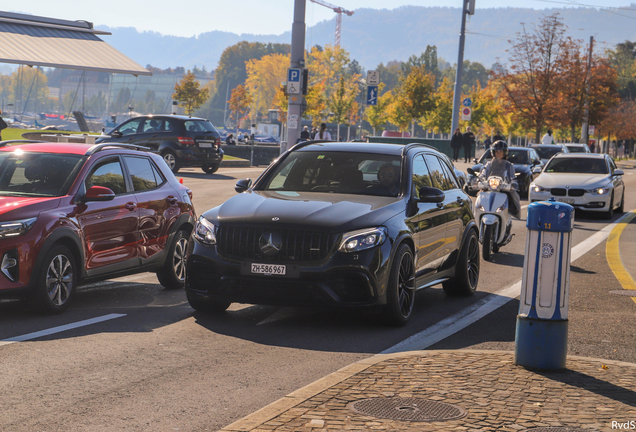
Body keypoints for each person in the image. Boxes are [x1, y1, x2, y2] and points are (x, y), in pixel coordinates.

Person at [478, 140, 521, 219]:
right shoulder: (489, 164)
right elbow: (483, 173)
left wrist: (513, 184)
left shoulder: (509, 165)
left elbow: (512, 177)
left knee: (515, 195)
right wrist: (479, 179)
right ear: (493, 152)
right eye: (496, 151)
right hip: (489, 187)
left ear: (504, 152)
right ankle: (476, 214)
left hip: (503, 187)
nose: (498, 153)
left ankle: (516, 211)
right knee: (479, 195)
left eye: (500, 151)